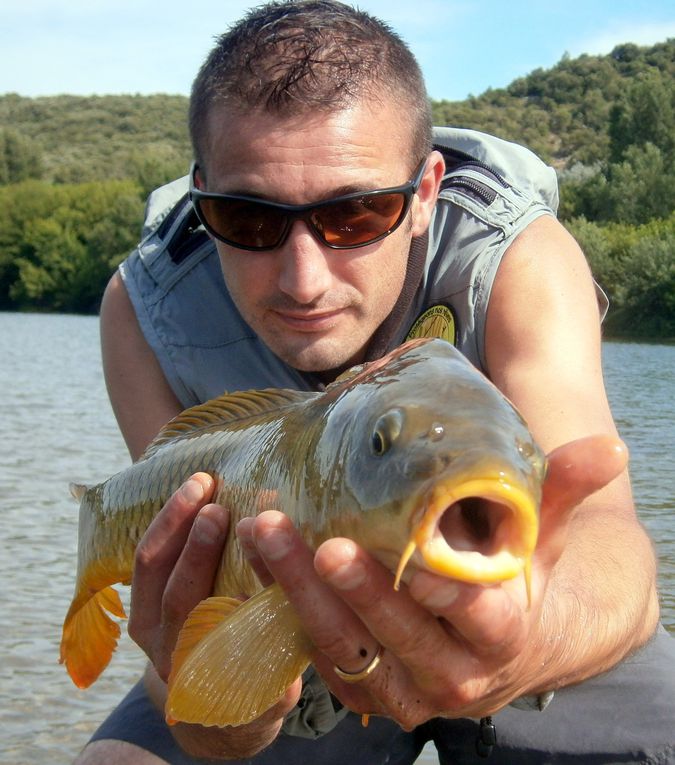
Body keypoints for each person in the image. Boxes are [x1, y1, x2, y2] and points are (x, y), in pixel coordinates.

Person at [74, 1, 675, 763]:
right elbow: (202, 712)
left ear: (425, 191)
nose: (302, 278)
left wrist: (526, 646)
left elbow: (612, 550)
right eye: (249, 220)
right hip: (275, 623)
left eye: (355, 214)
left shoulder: (521, 259)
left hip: (522, 599)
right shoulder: (141, 306)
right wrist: (228, 713)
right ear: (200, 198)